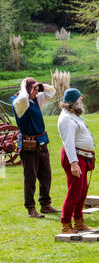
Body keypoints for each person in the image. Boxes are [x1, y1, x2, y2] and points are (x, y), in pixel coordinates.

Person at [11, 77, 60, 218]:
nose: (37, 92)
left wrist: (37, 85)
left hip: (42, 142)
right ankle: (30, 209)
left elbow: (51, 91)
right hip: (29, 146)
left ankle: (45, 204)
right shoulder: (18, 103)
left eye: (38, 90)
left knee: (46, 176)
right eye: (34, 89)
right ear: (25, 90)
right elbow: (23, 99)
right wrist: (24, 85)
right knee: (30, 178)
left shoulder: (35, 100)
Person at [57, 88, 96, 234]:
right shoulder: (67, 119)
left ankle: (78, 222)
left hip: (82, 157)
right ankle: (65, 224)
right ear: (73, 102)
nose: (82, 101)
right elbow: (68, 142)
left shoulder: (73, 115)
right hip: (74, 157)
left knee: (82, 191)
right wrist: (74, 163)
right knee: (75, 192)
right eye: (80, 99)